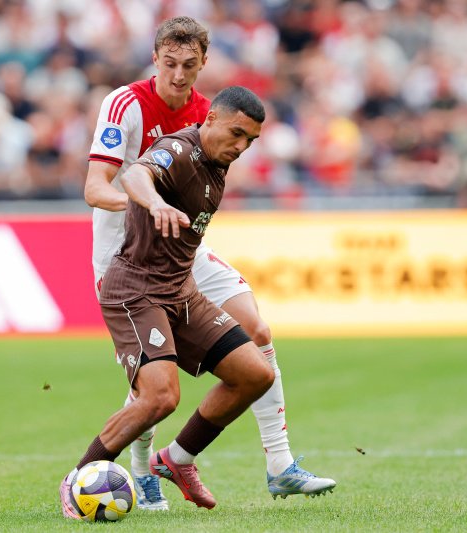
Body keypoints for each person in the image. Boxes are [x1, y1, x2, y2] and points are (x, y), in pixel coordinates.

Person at [82, 15, 335, 511]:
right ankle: (139, 470)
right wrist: (152, 205)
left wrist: (178, 213)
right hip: (126, 254)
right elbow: (96, 189)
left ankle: (280, 465)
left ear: (203, 64)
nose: (178, 75)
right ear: (155, 59)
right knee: (153, 383)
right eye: (170, 63)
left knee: (257, 333)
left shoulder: (212, 115)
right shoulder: (125, 103)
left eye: (189, 65)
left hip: (184, 250)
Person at [61, 86, 274, 517]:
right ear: (210, 118)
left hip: (180, 292)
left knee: (256, 373)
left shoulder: (218, 165)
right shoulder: (178, 148)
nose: (240, 146)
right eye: (236, 133)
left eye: (249, 141)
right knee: (160, 397)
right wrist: (154, 202)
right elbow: (137, 174)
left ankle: (175, 460)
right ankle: (78, 479)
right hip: (135, 292)